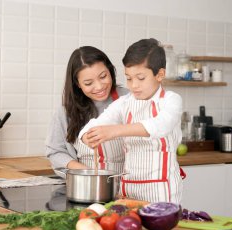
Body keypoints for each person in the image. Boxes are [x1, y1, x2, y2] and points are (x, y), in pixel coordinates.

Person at [79, 39, 184, 203]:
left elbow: (160, 125)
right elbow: (98, 122)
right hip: (129, 189)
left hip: (162, 190)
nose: (134, 85)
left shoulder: (171, 100)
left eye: (140, 78)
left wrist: (115, 131)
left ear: (160, 75)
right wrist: (87, 135)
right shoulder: (124, 103)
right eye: (129, 78)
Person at [45, 46, 129, 174]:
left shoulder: (130, 99)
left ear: (110, 70)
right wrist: (88, 173)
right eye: (88, 83)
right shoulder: (66, 111)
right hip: (87, 185)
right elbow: (56, 151)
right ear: (77, 84)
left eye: (103, 76)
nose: (99, 86)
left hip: (130, 185)